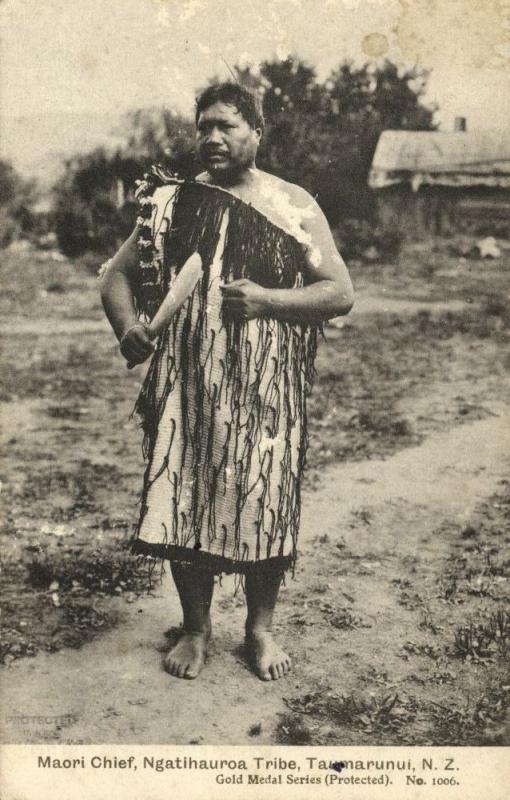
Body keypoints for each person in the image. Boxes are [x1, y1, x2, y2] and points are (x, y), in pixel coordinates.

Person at [99, 82, 354, 681]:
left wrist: (267, 299)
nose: (213, 137)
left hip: (267, 384)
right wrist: (128, 327)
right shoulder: (171, 203)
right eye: (204, 125)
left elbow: (339, 292)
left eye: (228, 126)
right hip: (187, 379)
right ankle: (195, 628)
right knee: (186, 490)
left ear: (257, 134)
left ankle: (259, 630)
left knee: (264, 494)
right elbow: (115, 276)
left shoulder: (292, 203)